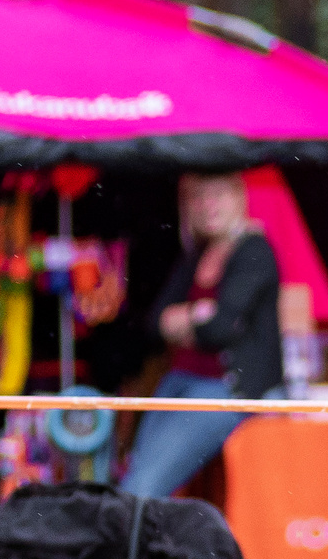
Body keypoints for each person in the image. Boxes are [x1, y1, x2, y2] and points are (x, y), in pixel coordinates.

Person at [120, 172, 282, 498]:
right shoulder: (197, 255)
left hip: (227, 390)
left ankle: (125, 548)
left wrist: (187, 318)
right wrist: (201, 314)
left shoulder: (254, 250)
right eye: (198, 197)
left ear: (239, 198)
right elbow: (154, 323)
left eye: (217, 195)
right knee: (134, 473)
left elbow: (219, 329)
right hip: (179, 383)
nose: (208, 205)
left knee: (143, 487)